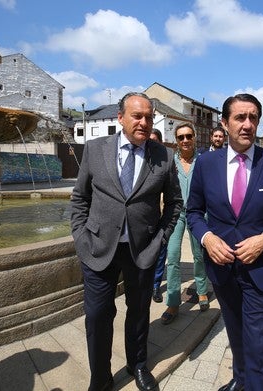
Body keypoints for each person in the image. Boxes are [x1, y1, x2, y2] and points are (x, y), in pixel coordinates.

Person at [187, 93, 263, 391]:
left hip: (260, 273)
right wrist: (207, 237)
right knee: (237, 335)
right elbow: (194, 213)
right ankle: (240, 381)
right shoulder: (206, 164)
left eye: (253, 117)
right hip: (223, 272)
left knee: (256, 344)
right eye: (240, 117)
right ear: (224, 124)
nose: (247, 124)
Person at [71, 92, 183, 391]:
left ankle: (137, 364)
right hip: (97, 248)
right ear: (120, 117)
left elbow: (174, 204)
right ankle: (100, 377)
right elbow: (80, 197)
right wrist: (81, 236)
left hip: (142, 249)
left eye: (149, 116)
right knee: (97, 316)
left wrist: (160, 238)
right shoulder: (95, 150)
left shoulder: (164, 156)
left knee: (138, 311)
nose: (144, 122)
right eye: (137, 116)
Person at [161, 123, 210, 324]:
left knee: (199, 255)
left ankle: (202, 290)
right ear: (176, 141)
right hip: (176, 214)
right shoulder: (170, 163)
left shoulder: (205, 162)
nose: (185, 140)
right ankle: (173, 301)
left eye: (188, 136)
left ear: (194, 137)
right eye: (181, 137)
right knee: (172, 257)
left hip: (198, 215)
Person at [150, 129, 167, 303]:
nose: (151, 142)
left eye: (155, 140)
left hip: (161, 219)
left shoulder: (166, 162)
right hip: (141, 222)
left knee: (161, 255)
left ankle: (155, 286)